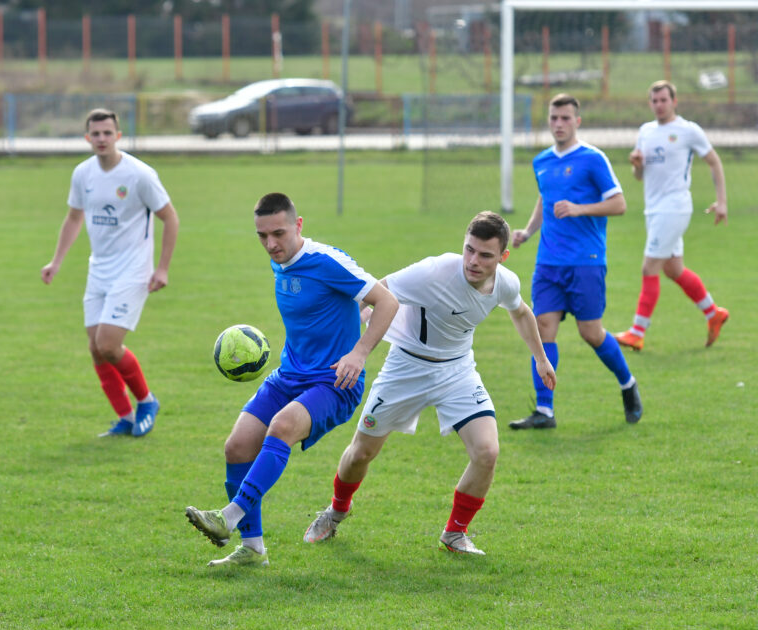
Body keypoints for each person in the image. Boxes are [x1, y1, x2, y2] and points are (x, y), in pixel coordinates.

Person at [303, 211, 556, 555]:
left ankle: (455, 533)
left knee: (487, 452)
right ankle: (336, 510)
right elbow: (376, 293)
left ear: (503, 257)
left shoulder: (505, 283)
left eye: (485, 255)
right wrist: (354, 342)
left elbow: (522, 312)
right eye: (469, 250)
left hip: (458, 371)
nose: (473, 261)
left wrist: (541, 358)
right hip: (405, 367)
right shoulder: (434, 271)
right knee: (362, 452)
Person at [184, 192, 399, 567]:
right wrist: (353, 314)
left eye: (278, 233)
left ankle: (228, 518)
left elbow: (387, 301)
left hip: (334, 382)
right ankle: (253, 549)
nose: (271, 244)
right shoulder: (279, 261)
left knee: (282, 426)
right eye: (262, 236)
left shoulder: (326, 261)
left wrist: (359, 352)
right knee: (237, 447)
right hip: (289, 375)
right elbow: (334, 303)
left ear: (298, 225)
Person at [41, 109, 179, 438]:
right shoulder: (83, 174)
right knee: (95, 348)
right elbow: (74, 218)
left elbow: (170, 218)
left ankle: (147, 401)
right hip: (99, 269)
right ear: (87, 138)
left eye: (107, 133)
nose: (101, 139)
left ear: (118, 136)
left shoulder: (140, 175)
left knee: (108, 343)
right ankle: (126, 418)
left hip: (133, 270)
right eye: (96, 134)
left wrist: (162, 268)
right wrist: (56, 261)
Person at [508, 93, 642, 430]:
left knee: (591, 333)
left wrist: (580, 209)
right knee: (542, 329)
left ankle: (628, 384)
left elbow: (619, 204)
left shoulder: (593, 159)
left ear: (577, 122)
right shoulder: (541, 161)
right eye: (554, 118)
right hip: (548, 262)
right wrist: (528, 231)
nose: (559, 124)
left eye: (565, 118)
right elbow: (545, 199)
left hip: (586, 261)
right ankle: (544, 410)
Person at [614, 80, 729, 351]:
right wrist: (637, 165)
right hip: (653, 209)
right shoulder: (646, 131)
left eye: (663, 100)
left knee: (649, 268)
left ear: (674, 101)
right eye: (654, 101)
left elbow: (714, 161)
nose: (659, 105)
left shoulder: (688, 130)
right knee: (673, 269)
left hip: (675, 207)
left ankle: (637, 332)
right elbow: (639, 176)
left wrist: (722, 201)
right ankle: (713, 313)